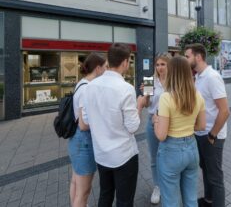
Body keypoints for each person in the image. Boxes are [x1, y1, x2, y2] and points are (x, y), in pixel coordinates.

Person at [82, 43, 144, 207]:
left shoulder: (90, 87)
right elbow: (133, 127)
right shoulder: (126, 89)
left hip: (102, 154)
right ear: (124, 62)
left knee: (105, 195)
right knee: (124, 201)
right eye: (129, 61)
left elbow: (86, 121)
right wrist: (139, 104)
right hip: (124, 155)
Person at [153, 56, 206, 207]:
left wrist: (156, 121)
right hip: (191, 148)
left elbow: (161, 135)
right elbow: (202, 126)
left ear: (172, 72)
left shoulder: (166, 97)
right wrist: (187, 127)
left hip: (171, 151)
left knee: (171, 200)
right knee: (190, 198)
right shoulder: (197, 95)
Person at [185, 44, 230, 207]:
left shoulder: (212, 77)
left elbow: (225, 111)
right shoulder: (197, 77)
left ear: (198, 57)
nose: (185, 59)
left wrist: (212, 135)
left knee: (215, 177)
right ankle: (208, 200)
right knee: (206, 170)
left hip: (212, 135)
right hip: (200, 134)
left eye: (187, 56)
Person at [68, 52, 107, 207]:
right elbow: (84, 125)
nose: (106, 71)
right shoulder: (88, 88)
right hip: (83, 142)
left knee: (76, 184)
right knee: (83, 192)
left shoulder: (81, 83)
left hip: (76, 141)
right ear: (98, 68)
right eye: (105, 67)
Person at [141, 52, 172, 204]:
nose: (160, 67)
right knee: (154, 157)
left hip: (170, 123)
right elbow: (147, 104)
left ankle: (168, 185)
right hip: (152, 122)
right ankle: (157, 186)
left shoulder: (174, 81)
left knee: (168, 156)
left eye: (163, 64)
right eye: (158, 64)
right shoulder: (149, 80)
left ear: (169, 65)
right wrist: (146, 95)